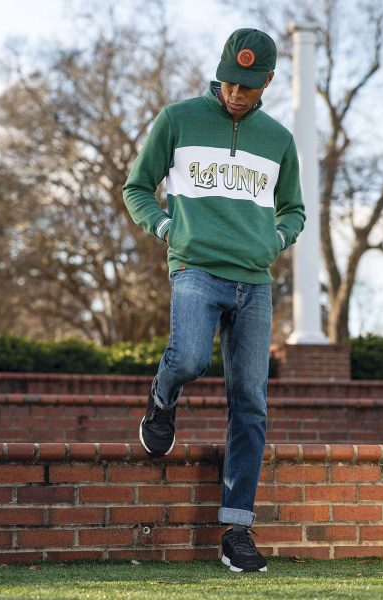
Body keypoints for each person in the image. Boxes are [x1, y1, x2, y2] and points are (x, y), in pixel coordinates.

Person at [122, 28, 306, 573]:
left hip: (254, 280)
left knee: (250, 402)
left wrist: (273, 240)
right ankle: (162, 398)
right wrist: (164, 228)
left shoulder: (278, 139)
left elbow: (293, 209)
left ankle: (237, 529)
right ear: (221, 70)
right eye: (230, 82)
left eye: (248, 87)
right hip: (195, 267)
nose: (236, 94)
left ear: (267, 81)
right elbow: (137, 186)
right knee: (188, 359)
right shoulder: (177, 120)